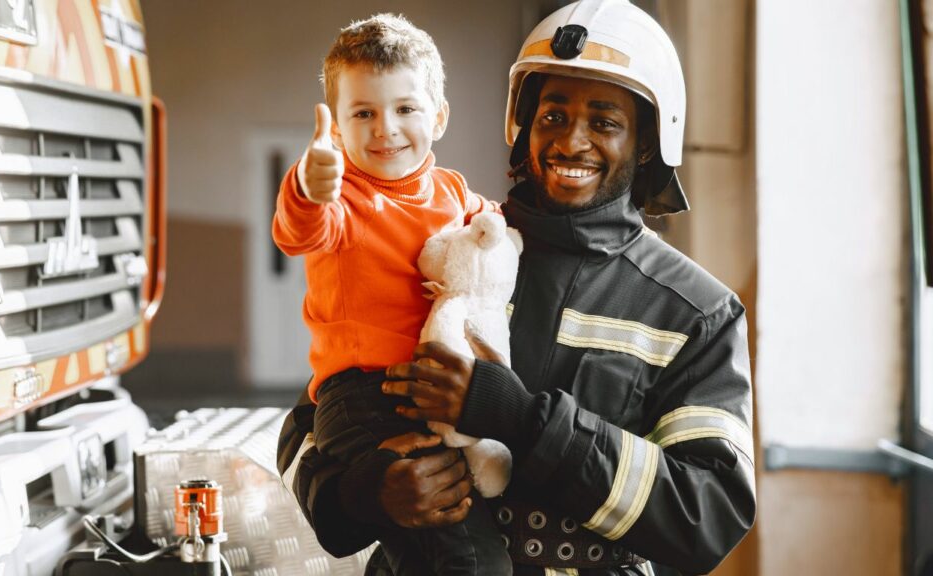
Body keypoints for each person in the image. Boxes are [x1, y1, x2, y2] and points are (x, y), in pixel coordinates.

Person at [277, 1, 756, 574]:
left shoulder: (697, 312)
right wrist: (364, 494)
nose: (572, 142)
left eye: (604, 122)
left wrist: (521, 418)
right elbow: (316, 415)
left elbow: (708, 517)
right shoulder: (463, 246)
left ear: (648, 143)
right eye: (552, 116)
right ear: (523, 124)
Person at [271, 13, 510, 576]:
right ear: (337, 130)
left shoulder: (452, 192)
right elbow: (299, 228)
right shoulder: (343, 199)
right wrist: (308, 184)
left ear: (440, 116)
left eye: (405, 109)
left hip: (439, 394)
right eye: (363, 113)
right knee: (468, 556)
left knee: (419, 551)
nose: (386, 129)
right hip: (363, 399)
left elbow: (498, 238)